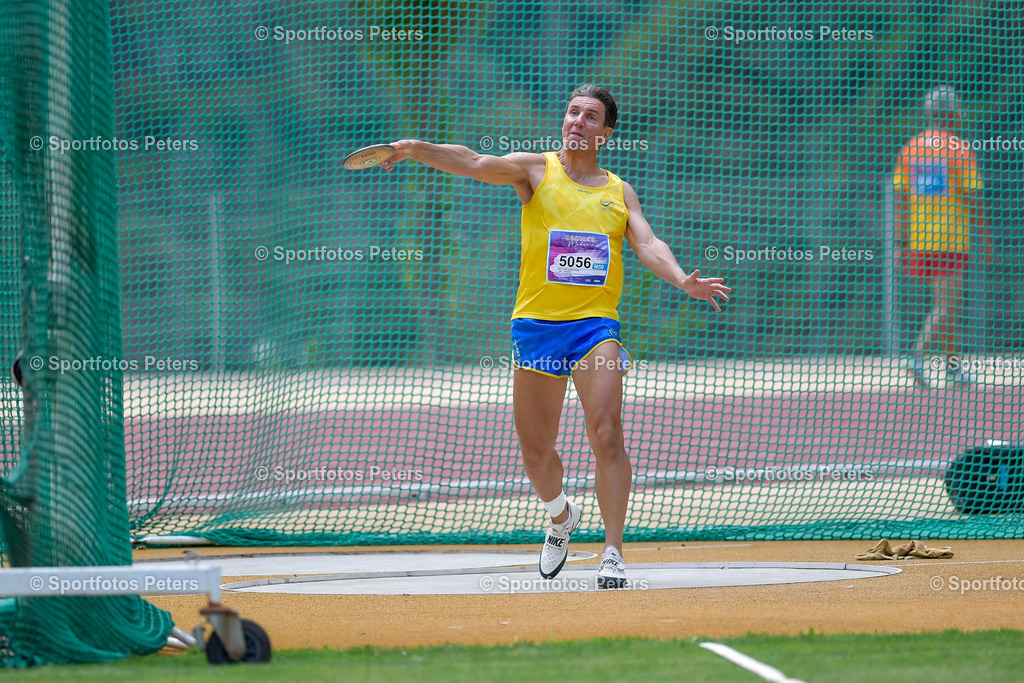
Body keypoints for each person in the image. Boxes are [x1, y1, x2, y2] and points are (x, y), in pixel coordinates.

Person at [381, 84, 730, 588]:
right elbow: (474, 161)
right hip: (536, 328)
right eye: (572, 112)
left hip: (595, 328)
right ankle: (562, 518)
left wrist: (682, 280)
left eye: (590, 117)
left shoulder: (618, 190)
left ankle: (613, 552)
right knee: (536, 453)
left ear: (605, 134)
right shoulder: (534, 170)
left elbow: (649, 242)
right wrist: (415, 149)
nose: (577, 122)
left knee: (607, 433)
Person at [894, 85, 990, 387]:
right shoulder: (959, 150)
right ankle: (916, 354)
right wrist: (985, 240)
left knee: (950, 304)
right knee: (948, 305)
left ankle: (953, 367)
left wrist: (900, 242)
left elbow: (900, 198)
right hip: (950, 239)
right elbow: (974, 199)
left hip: (920, 240)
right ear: (952, 114)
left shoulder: (912, 148)